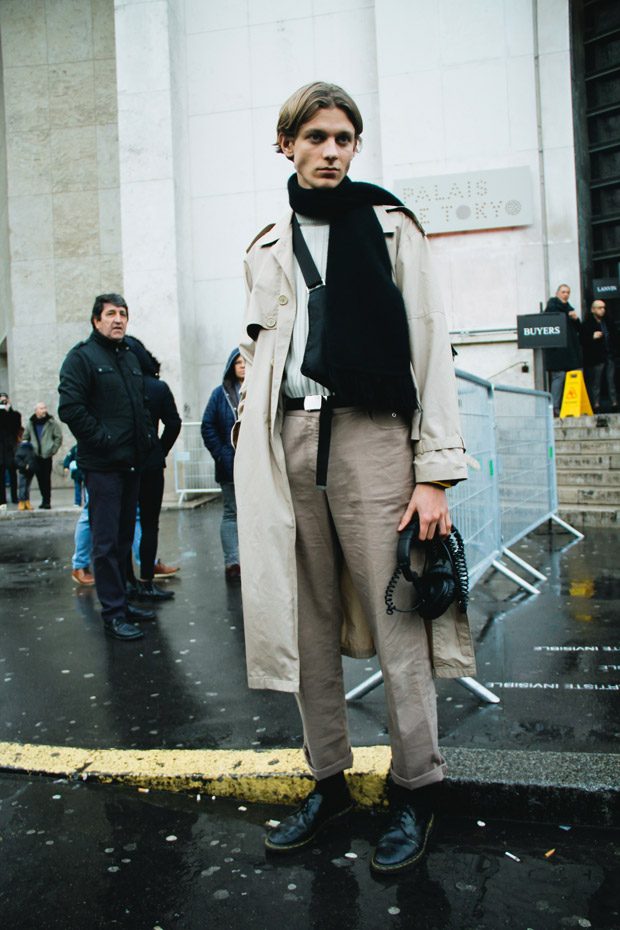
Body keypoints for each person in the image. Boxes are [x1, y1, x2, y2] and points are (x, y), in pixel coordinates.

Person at [234, 82, 475, 874]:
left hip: (374, 438)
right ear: (287, 146)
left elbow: (432, 344)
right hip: (289, 443)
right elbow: (268, 350)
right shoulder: (265, 244)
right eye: (317, 137)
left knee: (397, 616)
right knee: (307, 625)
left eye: (344, 138)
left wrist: (434, 473)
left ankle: (417, 786)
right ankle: (329, 780)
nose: (332, 150)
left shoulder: (390, 225)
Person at [58, 293, 157, 641]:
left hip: (131, 464)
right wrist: (103, 439)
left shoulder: (128, 355)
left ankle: (124, 602)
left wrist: (144, 440)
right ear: (96, 320)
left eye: (124, 314)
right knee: (104, 541)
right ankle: (113, 614)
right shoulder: (82, 358)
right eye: (111, 314)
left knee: (123, 538)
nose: (118, 319)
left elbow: (138, 405)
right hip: (102, 466)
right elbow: (70, 408)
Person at [124, 335, 182, 601]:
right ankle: (146, 580)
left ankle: (128, 582)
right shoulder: (158, 387)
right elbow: (173, 423)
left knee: (122, 526)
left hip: (124, 462)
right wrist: (160, 449)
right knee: (149, 524)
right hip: (150, 464)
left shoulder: (123, 385)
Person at [201, 348, 245, 581]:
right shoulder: (220, 394)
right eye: (237, 362)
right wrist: (221, 454)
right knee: (231, 513)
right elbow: (207, 426)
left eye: (245, 361)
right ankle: (233, 562)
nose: (242, 366)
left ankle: (254, 559)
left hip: (256, 466)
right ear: (231, 366)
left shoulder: (259, 390)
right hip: (229, 465)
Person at [543, 284, 582, 416]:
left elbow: (578, 329)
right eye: (563, 292)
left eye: (568, 292)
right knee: (559, 377)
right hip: (557, 351)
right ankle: (554, 407)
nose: (566, 295)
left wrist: (576, 319)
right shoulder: (552, 307)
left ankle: (573, 406)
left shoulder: (569, 310)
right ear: (557, 293)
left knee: (574, 375)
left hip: (569, 350)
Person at [22, 402, 63, 509]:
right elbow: (25, 437)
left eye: (45, 408)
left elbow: (58, 437)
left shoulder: (51, 423)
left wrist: (53, 449)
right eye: (41, 408)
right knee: (40, 479)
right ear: (36, 410)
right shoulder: (31, 423)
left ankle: (47, 500)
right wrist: (28, 451)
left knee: (46, 478)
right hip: (35, 456)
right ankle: (43, 499)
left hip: (47, 455)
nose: (44, 410)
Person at [581, 299, 618, 413]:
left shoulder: (608, 322)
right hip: (596, 358)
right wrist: (592, 337)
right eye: (599, 308)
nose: (603, 310)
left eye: (604, 308)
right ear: (593, 310)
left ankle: (614, 403)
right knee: (596, 382)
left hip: (609, 355)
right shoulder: (587, 324)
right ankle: (595, 404)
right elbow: (582, 340)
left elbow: (615, 337)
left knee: (611, 381)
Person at [0, 391, 21, 508]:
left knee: (13, 474)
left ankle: (14, 497)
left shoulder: (14, 414)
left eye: (5, 401)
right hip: (1, 449)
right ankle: (2, 499)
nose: (3, 403)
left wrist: (9, 411)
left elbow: (15, 427)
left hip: (10, 448)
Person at [14, 432, 36, 511]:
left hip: (29, 470)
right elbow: (17, 459)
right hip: (24, 470)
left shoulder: (30, 447)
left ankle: (26, 501)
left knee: (26, 486)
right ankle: (22, 501)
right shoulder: (22, 447)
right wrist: (24, 465)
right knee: (23, 486)